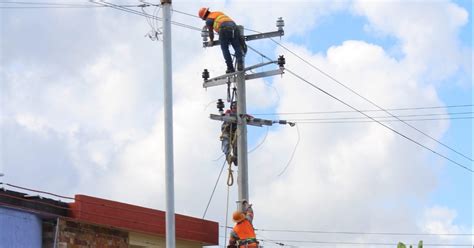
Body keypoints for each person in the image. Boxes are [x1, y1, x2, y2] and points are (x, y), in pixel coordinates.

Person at [198, 7, 244, 73]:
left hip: (224, 29)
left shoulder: (208, 20)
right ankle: (240, 64)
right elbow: (223, 20)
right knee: (237, 46)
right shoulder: (218, 13)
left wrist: (211, 41)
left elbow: (211, 32)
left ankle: (230, 68)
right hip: (234, 27)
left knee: (225, 49)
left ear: (204, 17)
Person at [220, 101, 238, 166]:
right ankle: (228, 156)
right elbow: (226, 114)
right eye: (234, 107)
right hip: (227, 131)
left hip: (236, 133)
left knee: (237, 144)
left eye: (236, 108)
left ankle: (236, 157)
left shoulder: (241, 115)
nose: (235, 109)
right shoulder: (229, 112)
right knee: (226, 141)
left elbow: (249, 117)